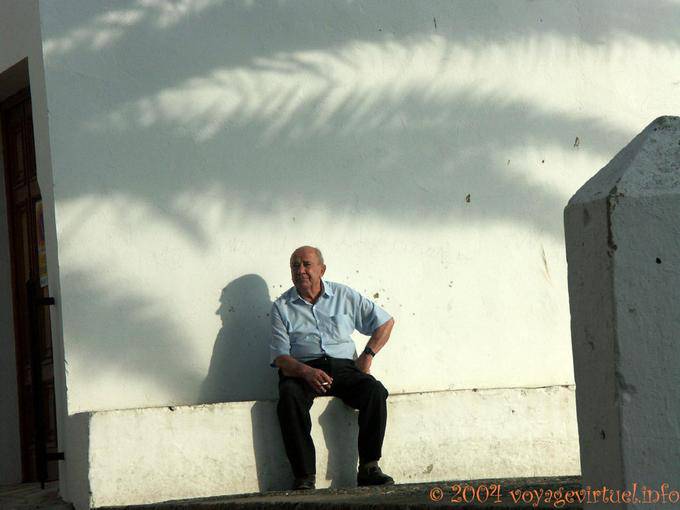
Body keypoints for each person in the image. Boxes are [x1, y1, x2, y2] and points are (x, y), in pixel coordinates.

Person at [270, 245, 395, 490]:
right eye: (295, 265)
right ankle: (304, 476)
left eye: (306, 264)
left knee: (375, 391)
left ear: (322, 269)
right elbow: (281, 358)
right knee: (288, 397)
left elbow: (385, 322)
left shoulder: (344, 295)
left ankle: (369, 467)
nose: (301, 270)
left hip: (344, 368)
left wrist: (367, 356)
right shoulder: (281, 307)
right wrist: (306, 372)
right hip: (303, 370)